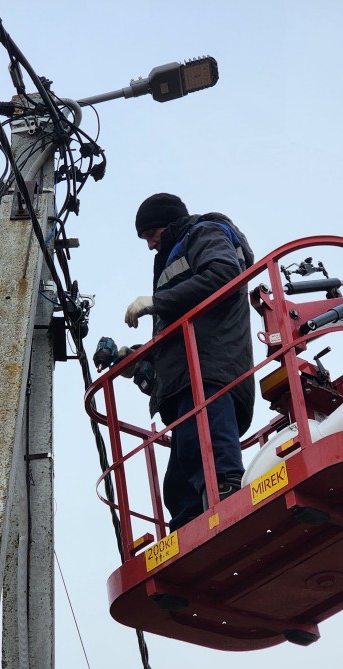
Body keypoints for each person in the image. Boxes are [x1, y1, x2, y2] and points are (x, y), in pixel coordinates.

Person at [124, 193, 255, 531]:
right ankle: (186, 525)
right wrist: (139, 356)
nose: (150, 246)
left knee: (208, 444)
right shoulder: (173, 257)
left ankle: (227, 492)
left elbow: (224, 274)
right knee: (182, 471)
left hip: (210, 366)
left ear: (166, 224)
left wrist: (157, 300)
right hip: (187, 374)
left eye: (151, 235)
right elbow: (175, 326)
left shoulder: (204, 233)